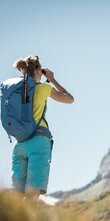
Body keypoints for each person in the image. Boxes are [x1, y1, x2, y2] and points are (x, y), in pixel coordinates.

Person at [11, 55, 74, 201]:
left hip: (19, 144)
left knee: (16, 196)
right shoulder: (44, 88)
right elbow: (69, 99)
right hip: (38, 143)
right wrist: (51, 79)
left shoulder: (15, 91)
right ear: (39, 70)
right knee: (32, 195)